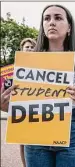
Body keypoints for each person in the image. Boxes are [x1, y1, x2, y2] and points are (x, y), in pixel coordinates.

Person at [1, 4, 75, 167]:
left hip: (74, 134)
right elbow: (21, 104)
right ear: (42, 26)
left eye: (58, 18)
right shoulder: (27, 61)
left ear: (69, 27)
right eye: (47, 18)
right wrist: (5, 106)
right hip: (35, 134)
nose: (51, 22)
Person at [19, 37, 37, 167]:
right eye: (27, 47)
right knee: (21, 139)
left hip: (36, 108)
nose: (29, 49)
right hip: (21, 108)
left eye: (32, 47)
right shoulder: (15, 67)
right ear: (22, 49)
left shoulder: (40, 65)